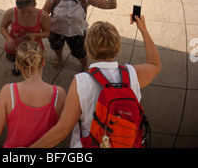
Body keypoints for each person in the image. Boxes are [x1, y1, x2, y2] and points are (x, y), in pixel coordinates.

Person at [29, 15, 161, 148]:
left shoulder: (81, 81)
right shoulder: (132, 74)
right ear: (117, 46)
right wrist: (143, 29)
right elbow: (155, 65)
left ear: (89, 47)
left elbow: (62, 131)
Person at [0, 41, 66, 147]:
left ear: (18, 65)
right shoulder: (59, 94)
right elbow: (62, 131)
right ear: (43, 62)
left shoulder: (8, 92)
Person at [42, 0, 117, 71]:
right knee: (57, 47)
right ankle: (59, 58)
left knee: (81, 53)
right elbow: (43, 14)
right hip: (56, 31)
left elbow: (111, 5)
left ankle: (84, 65)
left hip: (77, 32)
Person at [0, 0, 51, 75]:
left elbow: (47, 33)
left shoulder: (44, 16)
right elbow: (2, 27)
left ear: (35, 5)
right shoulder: (10, 13)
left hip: (33, 48)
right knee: (15, 59)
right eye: (22, 12)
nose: (26, 14)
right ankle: (17, 66)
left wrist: (35, 35)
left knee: (32, 64)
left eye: (30, 11)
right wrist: (8, 39)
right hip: (14, 46)